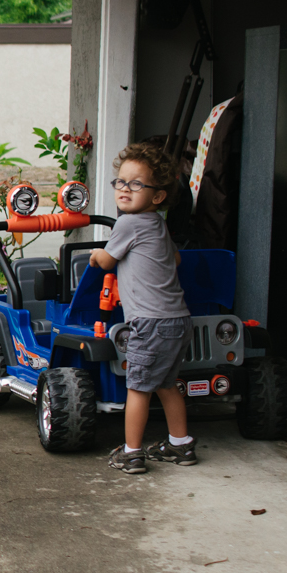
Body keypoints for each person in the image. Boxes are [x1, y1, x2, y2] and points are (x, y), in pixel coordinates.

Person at [88, 143, 196, 475]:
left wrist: (94, 255)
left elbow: (105, 260)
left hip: (150, 324)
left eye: (136, 184)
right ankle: (181, 445)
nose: (125, 189)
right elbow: (175, 259)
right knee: (167, 384)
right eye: (120, 182)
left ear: (158, 196)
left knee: (138, 388)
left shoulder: (129, 224)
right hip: (178, 320)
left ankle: (132, 453)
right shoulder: (157, 226)